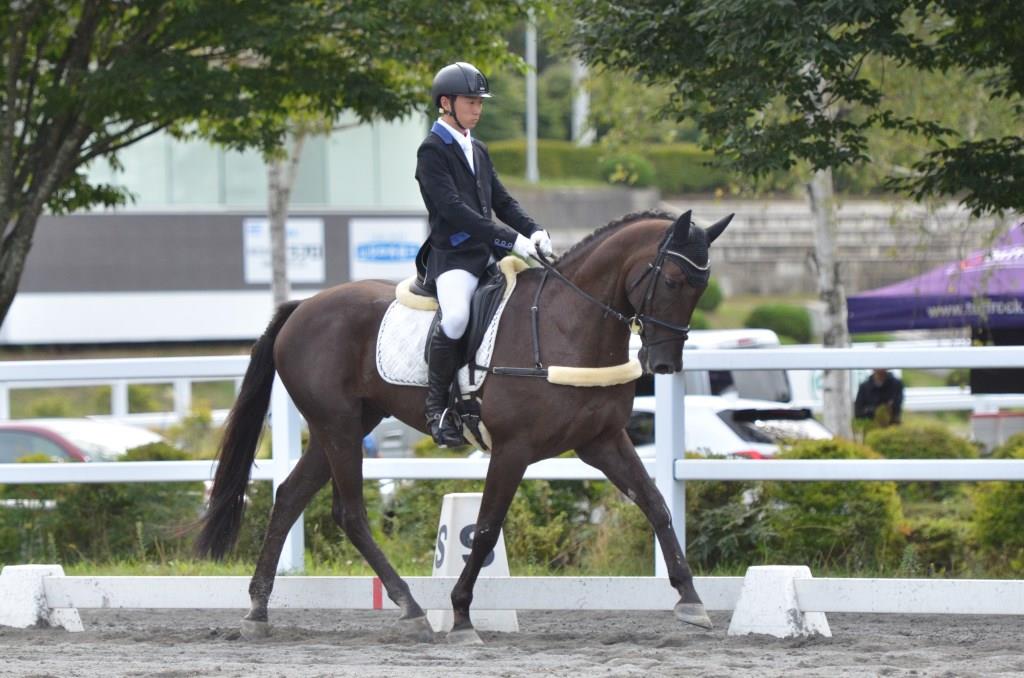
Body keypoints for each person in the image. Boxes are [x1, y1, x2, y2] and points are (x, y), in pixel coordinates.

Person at [415, 62, 553, 447]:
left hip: (486, 256)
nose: (477, 109)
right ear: (446, 103)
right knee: (456, 318)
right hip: (454, 258)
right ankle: (436, 407)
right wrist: (511, 241)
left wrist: (533, 230)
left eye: (480, 102)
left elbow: (502, 201)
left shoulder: (477, 147)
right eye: (470, 102)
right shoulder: (431, 151)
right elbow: (457, 210)